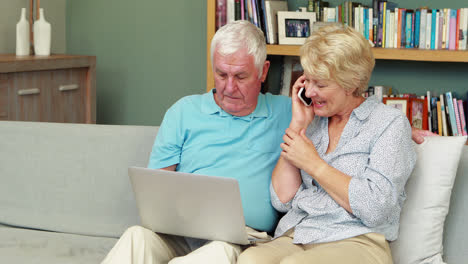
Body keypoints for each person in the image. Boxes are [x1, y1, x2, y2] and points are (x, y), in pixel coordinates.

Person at [101, 20, 292, 264]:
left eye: (240, 76)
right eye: (221, 74)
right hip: (178, 235)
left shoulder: (287, 113)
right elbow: (156, 190)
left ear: (263, 72)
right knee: (136, 237)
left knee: (218, 252)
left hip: (242, 239)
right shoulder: (183, 112)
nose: (229, 87)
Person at [237, 24, 417, 264]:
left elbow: (376, 207)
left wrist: (314, 164)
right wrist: (298, 126)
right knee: (251, 260)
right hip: (299, 233)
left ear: (351, 83)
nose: (309, 92)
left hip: (357, 240)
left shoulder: (389, 123)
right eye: (307, 80)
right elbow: (282, 199)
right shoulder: (314, 123)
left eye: (320, 85)